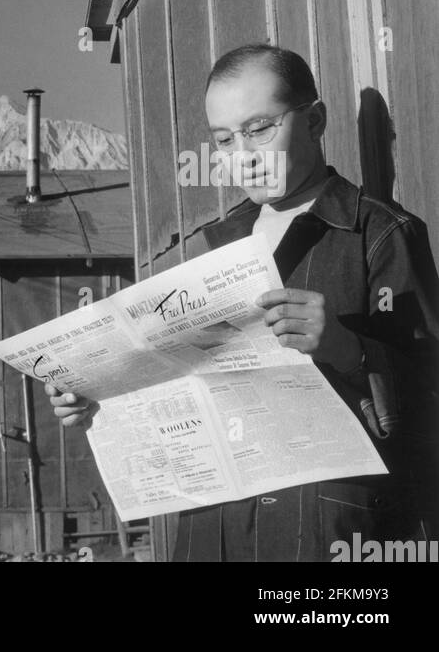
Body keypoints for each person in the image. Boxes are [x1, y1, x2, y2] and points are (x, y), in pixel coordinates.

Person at [48, 43, 439, 563]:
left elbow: (429, 404)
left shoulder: (381, 234)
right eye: (225, 139)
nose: (244, 155)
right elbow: (175, 385)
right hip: (210, 530)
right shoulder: (210, 247)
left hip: (326, 536)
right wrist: (97, 396)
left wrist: (350, 351)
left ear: (315, 120)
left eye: (259, 129)